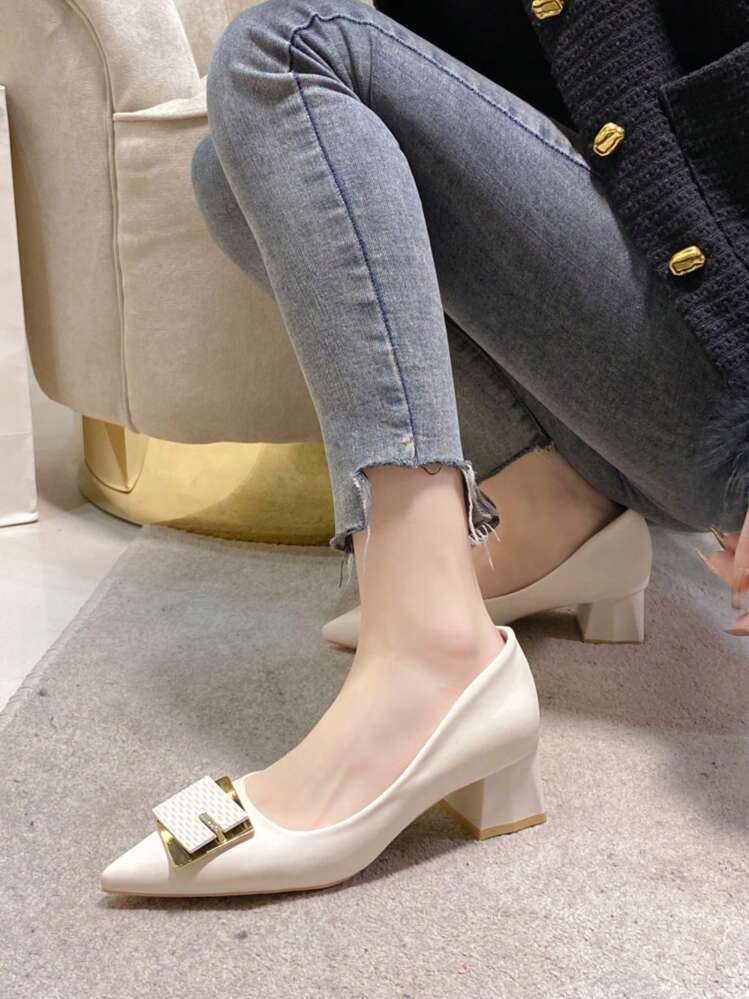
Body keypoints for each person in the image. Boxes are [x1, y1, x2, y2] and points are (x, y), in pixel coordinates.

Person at [100, 0, 749, 897]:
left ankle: (429, 656)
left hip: (725, 367)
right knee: (235, 170)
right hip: (639, 382)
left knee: (285, 50)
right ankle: (562, 503)